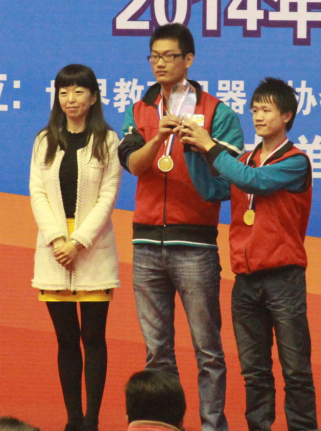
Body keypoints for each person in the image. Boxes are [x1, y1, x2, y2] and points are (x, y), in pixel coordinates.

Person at [118, 23, 244, 431]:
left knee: (208, 350)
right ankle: (163, 426)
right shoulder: (140, 109)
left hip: (195, 246)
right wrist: (157, 140)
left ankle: (212, 426)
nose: (160, 63)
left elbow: (230, 178)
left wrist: (202, 144)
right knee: (157, 351)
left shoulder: (217, 112)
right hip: (145, 244)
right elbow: (132, 164)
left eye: (169, 56)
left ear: (188, 59)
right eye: (154, 56)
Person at [180, 77, 318, 431]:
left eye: (266, 110)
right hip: (245, 281)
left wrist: (210, 146)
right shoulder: (244, 159)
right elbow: (211, 190)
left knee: (295, 371)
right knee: (254, 372)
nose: (258, 116)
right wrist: (192, 150)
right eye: (254, 109)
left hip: (284, 278)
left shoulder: (296, 161)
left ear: (286, 115)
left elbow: (254, 181)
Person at [30, 64, 122, 431]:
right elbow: (37, 192)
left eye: (79, 91)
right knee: (66, 340)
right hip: (53, 249)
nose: (71, 99)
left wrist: (79, 241)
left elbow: (108, 196)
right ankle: (72, 420)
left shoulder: (107, 140)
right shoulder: (45, 140)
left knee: (93, 338)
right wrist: (58, 239)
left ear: (94, 97)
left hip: (93, 247)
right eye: (64, 92)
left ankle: (92, 421)